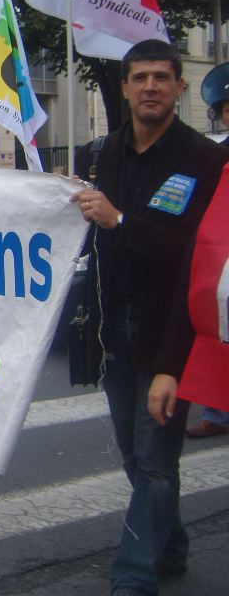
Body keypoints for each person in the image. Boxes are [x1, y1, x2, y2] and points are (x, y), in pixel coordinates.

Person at [70, 40, 229, 596]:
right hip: (116, 331)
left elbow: (192, 257)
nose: (151, 87)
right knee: (138, 454)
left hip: (171, 329)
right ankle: (173, 545)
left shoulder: (205, 160)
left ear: (180, 87)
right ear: (124, 87)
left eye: (162, 77)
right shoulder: (103, 153)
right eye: (140, 77)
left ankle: (133, 576)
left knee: (158, 459)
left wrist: (117, 221)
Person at [185, 71, 229, 438]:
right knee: (218, 329)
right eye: (226, 108)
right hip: (221, 263)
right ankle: (217, 410)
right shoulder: (216, 155)